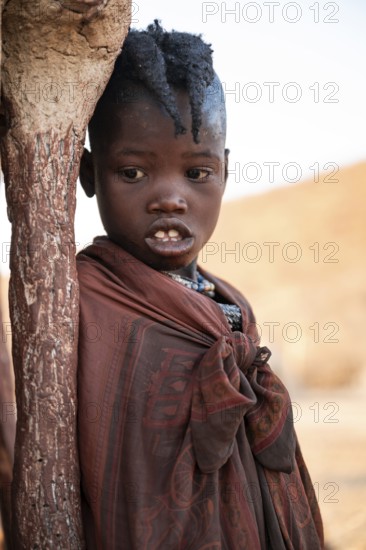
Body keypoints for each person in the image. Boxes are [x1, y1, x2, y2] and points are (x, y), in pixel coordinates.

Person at [77, 20, 324, 549]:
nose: (170, 198)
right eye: (133, 173)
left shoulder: (230, 303)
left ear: (226, 172)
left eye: (196, 173)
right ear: (89, 173)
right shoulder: (84, 301)